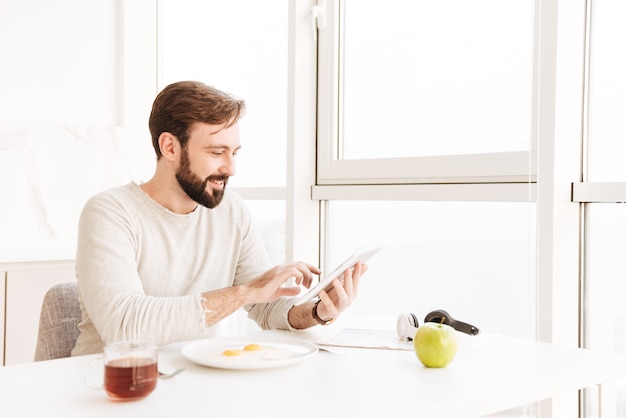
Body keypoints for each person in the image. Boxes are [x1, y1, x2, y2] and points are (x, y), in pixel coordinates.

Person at [71, 80, 367, 356]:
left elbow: (267, 309)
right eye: (216, 152)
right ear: (170, 147)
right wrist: (245, 292)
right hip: (108, 388)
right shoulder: (110, 212)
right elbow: (124, 327)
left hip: (190, 381)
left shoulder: (231, 211)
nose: (230, 168)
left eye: (234, 153)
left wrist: (317, 311)